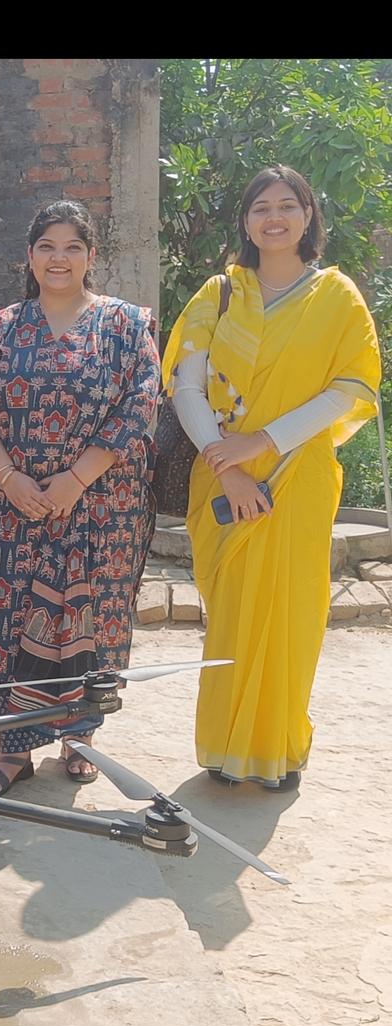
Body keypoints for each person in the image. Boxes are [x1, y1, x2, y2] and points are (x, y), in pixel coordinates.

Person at [162, 165, 380, 791]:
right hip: (221, 477)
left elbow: (349, 388)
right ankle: (225, 749)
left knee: (291, 614)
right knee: (231, 613)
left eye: (288, 205)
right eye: (261, 207)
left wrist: (263, 442)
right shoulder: (219, 294)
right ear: (246, 221)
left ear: (308, 216)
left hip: (297, 476)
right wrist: (228, 463)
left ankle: (278, 749)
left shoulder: (337, 297)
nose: (274, 217)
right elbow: (186, 385)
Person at [0, 200, 160, 796]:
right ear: (29, 256)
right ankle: (14, 750)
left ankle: (80, 739)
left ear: (90, 255)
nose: (59, 258)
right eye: (47, 246)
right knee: (9, 621)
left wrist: (76, 479)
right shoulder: (3, 327)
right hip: (9, 511)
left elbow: (140, 404)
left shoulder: (125, 326)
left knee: (90, 618)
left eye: (73, 246)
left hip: (100, 509)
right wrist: (9, 479)